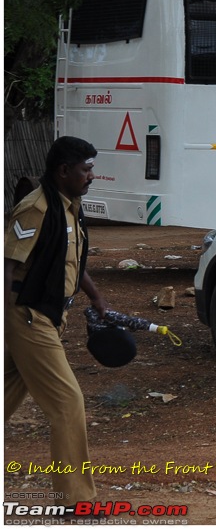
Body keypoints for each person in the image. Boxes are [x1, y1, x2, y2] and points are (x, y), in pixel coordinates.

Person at [4, 136, 109, 507]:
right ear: (63, 171)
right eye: (86, 169)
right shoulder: (35, 208)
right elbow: (9, 265)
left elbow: (68, 258)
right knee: (67, 403)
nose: (92, 175)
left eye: (92, 168)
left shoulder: (70, 206)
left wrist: (95, 297)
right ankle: (76, 500)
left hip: (48, 314)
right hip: (27, 316)